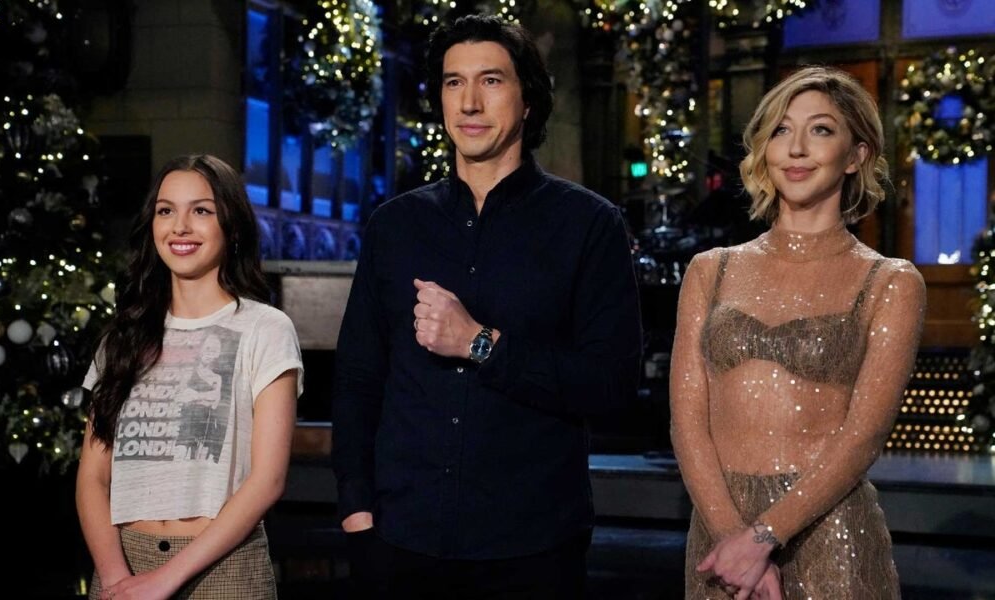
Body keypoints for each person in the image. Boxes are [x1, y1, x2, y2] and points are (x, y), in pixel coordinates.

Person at [332, 14, 642, 599]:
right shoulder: (394, 226)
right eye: (454, 82)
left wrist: (480, 343)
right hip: (399, 541)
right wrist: (356, 512)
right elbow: (356, 379)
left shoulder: (588, 225)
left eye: (491, 80)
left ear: (529, 100)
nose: (469, 102)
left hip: (532, 547)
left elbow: (612, 386)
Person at [670, 66, 926, 599]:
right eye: (782, 130)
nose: (797, 148)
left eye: (821, 130)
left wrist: (763, 536)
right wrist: (735, 540)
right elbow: (687, 423)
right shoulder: (711, 270)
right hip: (721, 534)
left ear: (855, 155)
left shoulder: (890, 281)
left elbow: (864, 436)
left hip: (830, 531)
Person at [76, 154, 304, 599]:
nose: (180, 227)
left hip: (223, 566)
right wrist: (116, 577)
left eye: (201, 210)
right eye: (166, 211)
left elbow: (268, 480)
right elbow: (92, 478)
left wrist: (165, 579)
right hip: (122, 562)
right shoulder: (123, 336)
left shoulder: (266, 328)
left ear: (231, 227)